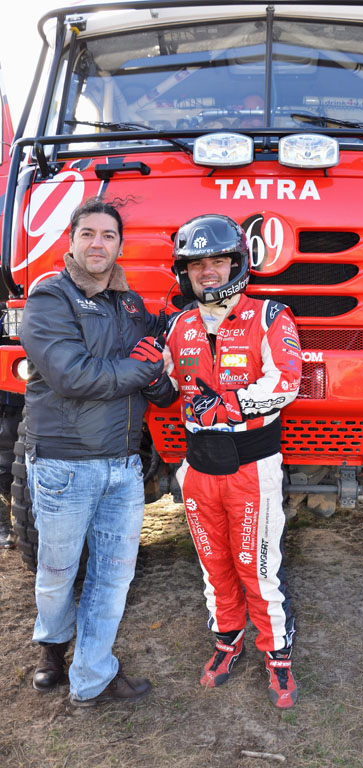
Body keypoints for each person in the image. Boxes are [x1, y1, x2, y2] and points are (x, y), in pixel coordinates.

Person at [19, 197, 175, 707]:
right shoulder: (50, 298)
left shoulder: (130, 306)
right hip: (64, 465)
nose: (97, 243)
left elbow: (159, 377)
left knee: (113, 577)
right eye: (88, 233)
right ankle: (52, 648)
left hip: (123, 466)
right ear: (71, 241)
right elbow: (73, 376)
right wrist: (144, 369)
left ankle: (92, 676)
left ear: (119, 246)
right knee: (57, 573)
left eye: (108, 235)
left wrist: (160, 372)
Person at [165, 214, 302, 708]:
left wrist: (229, 405)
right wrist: (147, 373)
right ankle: (227, 640)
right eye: (196, 264)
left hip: (252, 467)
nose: (207, 272)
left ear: (237, 263)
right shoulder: (178, 324)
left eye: (217, 261)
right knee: (214, 565)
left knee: (256, 567)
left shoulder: (270, 315)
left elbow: (287, 381)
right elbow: (164, 386)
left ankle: (277, 654)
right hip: (197, 469)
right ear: (185, 271)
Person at [0, 390, 24, 548]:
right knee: (3, 467)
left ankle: (28, 528)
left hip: (31, 403)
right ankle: (3, 526)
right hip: (4, 405)